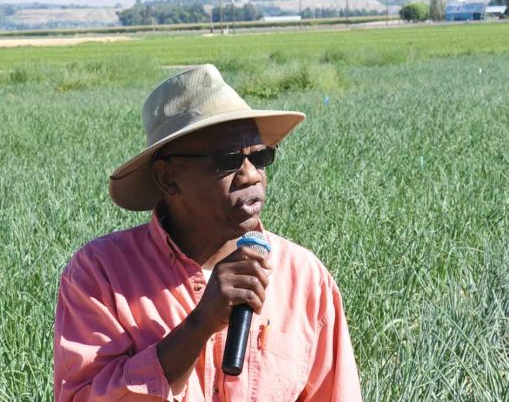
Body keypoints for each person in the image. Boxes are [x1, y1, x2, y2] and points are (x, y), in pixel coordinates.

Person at [54, 64, 362, 401]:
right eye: (227, 160)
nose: (251, 176)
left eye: (260, 157)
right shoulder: (101, 275)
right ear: (168, 178)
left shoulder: (304, 277)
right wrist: (201, 324)